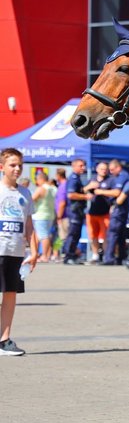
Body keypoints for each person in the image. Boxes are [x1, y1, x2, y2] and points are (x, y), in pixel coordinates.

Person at [0, 148, 37, 356]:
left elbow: (29, 225)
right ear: (2, 167)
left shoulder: (25, 193)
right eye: (12, 165)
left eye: (20, 165)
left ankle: (4, 340)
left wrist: (33, 252)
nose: (17, 169)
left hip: (15, 251)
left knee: (10, 294)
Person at [96, 159, 129, 265]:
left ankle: (108, 258)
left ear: (118, 168)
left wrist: (100, 191)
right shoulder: (117, 177)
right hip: (121, 208)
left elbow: (117, 192)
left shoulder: (122, 176)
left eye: (112, 170)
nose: (110, 172)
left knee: (112, 233)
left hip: (120, 209)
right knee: (120, 234)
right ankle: (121, 257)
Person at [62, 158, 88, 265]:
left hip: (78, 210)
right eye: (81, 166)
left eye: (84, 166)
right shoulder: (73, 178)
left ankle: (72, 254)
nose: (83, 168)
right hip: (74, 210)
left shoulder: (78, 178)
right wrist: (86, 196)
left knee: (76, 234)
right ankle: (68, 256)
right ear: (74, 166)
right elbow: (71, 194)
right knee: (73, 234)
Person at [84, 161, 111, 264]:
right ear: (97, 169)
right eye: (101, 169)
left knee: (105, 236)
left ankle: (105, 256)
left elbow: (115, 192)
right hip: (92, 212)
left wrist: (102, 192)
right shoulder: (92, 179)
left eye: (105, 169)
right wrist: (89, 187)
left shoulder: (110, 180)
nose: (103, 171)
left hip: (105, 212)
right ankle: (95, 256)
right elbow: (83, 190)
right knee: (93, 235)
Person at [30, 170, 57, 262]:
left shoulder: (41, 188)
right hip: (50, 215)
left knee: (43, 236)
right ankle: (36, 254)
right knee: (39, 236)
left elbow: (32, 200)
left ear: (40, 179)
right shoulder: (53, 188)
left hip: (40, 215)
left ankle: (44, 256)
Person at [52, 167, 68, 262]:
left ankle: (70, 253)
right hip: (63, 215)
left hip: (63, 216)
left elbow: (62, 203)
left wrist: (59, 216)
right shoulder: (63, 184)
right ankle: (57, 253)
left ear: (58, 175)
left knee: (63, 237)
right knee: (60, 236)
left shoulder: (63, 186)